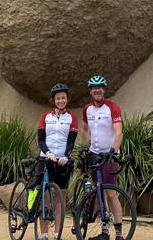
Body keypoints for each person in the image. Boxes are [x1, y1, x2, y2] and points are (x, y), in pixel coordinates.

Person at [81, 75, 124, 240]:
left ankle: (119, 234)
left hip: (108, 155)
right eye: (94, 87)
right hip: (94, 155)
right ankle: (105, 232)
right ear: (91, 91)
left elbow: (119, 131)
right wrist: (85, 148)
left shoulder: (112, 107)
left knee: (111, 194)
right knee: (101, 193)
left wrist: (113, 151)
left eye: (100, 87)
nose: (97, 90)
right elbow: (85, 129)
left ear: (104, 90)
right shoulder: (87, 109)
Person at [37, 83, 79, 240]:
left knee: (60, 197)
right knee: (46, 196)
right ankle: (44, 233)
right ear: (53, 100)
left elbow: (71, 141)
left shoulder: (72, 117)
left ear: (67, 99)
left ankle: (57, 234)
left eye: (64, 98)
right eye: (58, 98)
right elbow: (40, 139)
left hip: (62, 161)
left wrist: (66, 156)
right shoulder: (45, 117)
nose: (61, 100)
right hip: (46, 158)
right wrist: (47, 153)